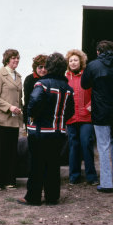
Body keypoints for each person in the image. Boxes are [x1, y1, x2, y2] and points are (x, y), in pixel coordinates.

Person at [17, 52, 74, 206]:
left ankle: (33, 197)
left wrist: (34, 116)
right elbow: (71, 112)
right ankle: (52, 197)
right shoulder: (68, 88)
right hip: (59, 132)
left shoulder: (41, 84)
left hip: (40, 132)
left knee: (37, 165)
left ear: (49, 67)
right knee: (53, 165)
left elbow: (33, 103)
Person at [81, 40, 113, 193]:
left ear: (98, 52)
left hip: (101, 112)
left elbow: (84, 85)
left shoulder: (93, 66)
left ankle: (106, 182)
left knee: (103, 146)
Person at [0, 49, 23, 191]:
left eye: (18, 58)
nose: (16, 61)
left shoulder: (18, 76)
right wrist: (9, 107)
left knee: (11, 151)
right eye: (13, 58)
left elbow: (19, 98)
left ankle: (9, 180)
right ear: (7, 59)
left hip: (14, 120)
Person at [65, 49, 99, 186]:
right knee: (73, 146)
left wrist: (89, 108)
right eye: (71, 60)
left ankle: (91, 177)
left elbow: (95, 93)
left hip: (86, 117)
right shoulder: (65, 77)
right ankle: (74, 176)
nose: (73, 63)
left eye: (76, 60)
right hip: (71, 118)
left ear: (81, 62)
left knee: (86, 144)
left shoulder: (87, 75)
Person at [23, 54, 48, 127]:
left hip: (47, 116)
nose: (43, 70)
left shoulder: (50, 79)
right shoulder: (29, 79)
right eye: (40, 67)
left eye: (45, 67)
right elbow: (27, 99)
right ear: (35, 67)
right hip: (32, 115)